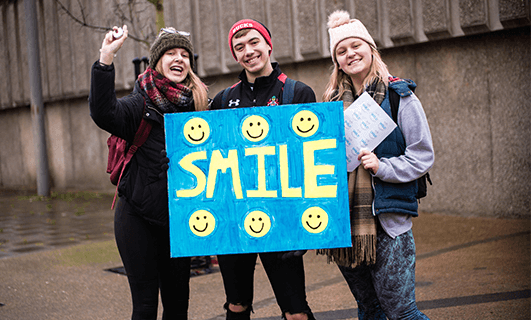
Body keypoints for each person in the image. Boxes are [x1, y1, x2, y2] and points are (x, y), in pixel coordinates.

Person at [317, 10, 434, 320]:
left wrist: (383, 167)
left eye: (356, 46)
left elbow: (422, 155)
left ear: (371, 48)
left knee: (402, 313)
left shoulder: (399, 97)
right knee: (369, 312)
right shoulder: (329, 105)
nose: (350, 54)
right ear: (336, 60)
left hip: (388, 222)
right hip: (346, 226)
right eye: (341, 51)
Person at [89, 25, 209, 320]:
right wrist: (106, 57)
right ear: (157, 61)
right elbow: (103, 112)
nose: (179, 58)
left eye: (184, 54)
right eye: (170, 53)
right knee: (144, 307)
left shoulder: (200, 104)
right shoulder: (140, 103)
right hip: (137, 218)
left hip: (178, 222)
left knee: (178, 306)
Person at [210, 19, 316, 320]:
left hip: (283, 220)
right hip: (234, 222)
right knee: (237, 307)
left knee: (296, 312)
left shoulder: (297, 93)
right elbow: (208, 160)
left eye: (254, 42)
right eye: (239, 47)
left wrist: (304, 228)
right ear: (235, 56)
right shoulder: (221, 100)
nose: (248, 51)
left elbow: (309, 162)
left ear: (268, 44)